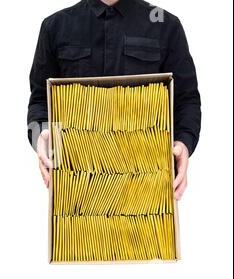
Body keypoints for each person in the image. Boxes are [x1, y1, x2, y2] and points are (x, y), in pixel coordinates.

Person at [27, 0, 201, 200]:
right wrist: (40, 136)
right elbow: (40, 99)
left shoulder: (167, 26)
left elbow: (187, 100)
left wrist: (184, 144)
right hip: (77, 190)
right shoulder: (54, 27)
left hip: (147, 188)